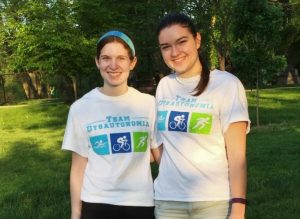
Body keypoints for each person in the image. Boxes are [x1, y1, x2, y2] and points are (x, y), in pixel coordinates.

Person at [153, 13, 250, 219]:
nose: (175, 52)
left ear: (197, 40)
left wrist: (239, 207)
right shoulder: (164, 86)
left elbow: (237, 156)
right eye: (166, 47)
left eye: (181, 42)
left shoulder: (227, 84)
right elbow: (160, 144)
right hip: (168, 202)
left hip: (213, 202)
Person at [62, 30, 162, 219]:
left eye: (121, 58)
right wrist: (76, 214)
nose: (113, 65)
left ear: (132, 62)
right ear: (97, 62)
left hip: (141, 203)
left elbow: (160, 157)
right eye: (106, 58)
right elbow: (77, 168)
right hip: (96, 204)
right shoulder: (81, 108)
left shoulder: (148, 104)